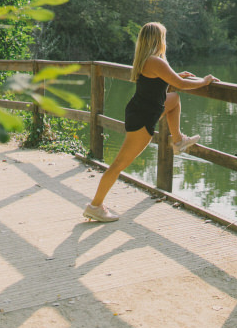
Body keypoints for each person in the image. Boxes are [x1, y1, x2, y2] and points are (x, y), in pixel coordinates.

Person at [83, 22, 216, 222]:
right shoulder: (156, 61)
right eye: (163, 37)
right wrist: (204, 82)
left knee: (174, 100)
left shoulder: (146, 60)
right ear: (158, 39)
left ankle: (178, 140)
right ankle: (95, 205)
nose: (165, 41)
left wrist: (176, 76)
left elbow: (161, 84)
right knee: (118, 165)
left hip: (141, 111)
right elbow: (179, 84)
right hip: (143, 118)